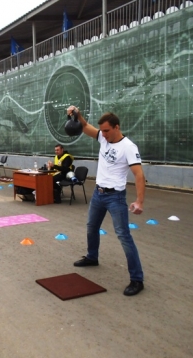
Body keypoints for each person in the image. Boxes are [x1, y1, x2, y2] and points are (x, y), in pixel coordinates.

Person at [67, 106, 146, 296]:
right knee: (91, 227)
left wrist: (139, 201)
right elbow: (85, 126)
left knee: (123, 236)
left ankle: (137, 279)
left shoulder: (128, 147)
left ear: (117, 127)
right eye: (101, 131)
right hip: (98, 194)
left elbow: (139, 175)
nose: (103, 134)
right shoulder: (103, 136)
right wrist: (76, 113)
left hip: (115, 197)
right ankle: (92, 257)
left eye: (107, 131)